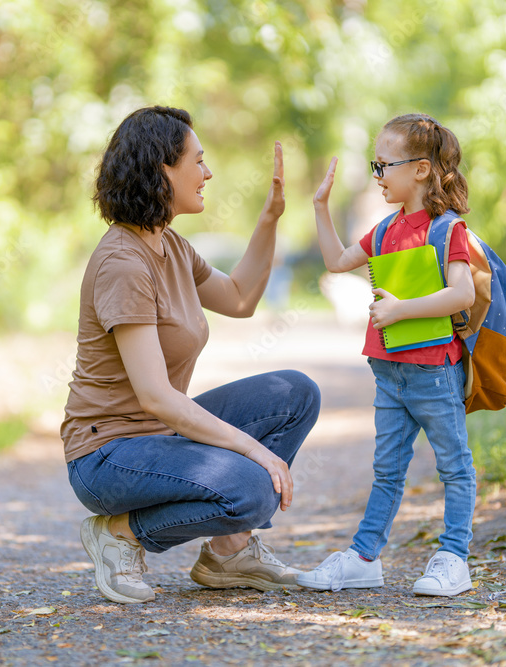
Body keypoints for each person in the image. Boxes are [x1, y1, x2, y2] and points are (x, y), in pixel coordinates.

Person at [62, 106, 321, 605]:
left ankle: (229, 552)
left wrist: (269, 219)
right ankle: (119, 532)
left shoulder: (171, 246)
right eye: (198, 161)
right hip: (107, 457)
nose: (207, 173)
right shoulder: (123, 262)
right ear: (162, 168)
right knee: (251, 488)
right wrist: (253, 449)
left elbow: (241, 298)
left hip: (158, 439)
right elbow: (157, 396)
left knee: (294, 393)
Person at [297, 113, 477, 596]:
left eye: (383, 166)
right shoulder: (383, 230)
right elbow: (337, 262)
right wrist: (320, 207)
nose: (377, 176)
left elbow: (461, 295)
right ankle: (363, 557)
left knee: (454, 467)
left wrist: (400, 310)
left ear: (420, 169)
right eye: (374, 166)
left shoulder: (446, 230)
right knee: (387, 471)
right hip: (389, 372)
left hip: (434, 372)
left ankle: (453, 558)